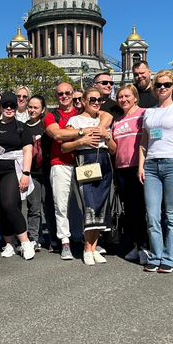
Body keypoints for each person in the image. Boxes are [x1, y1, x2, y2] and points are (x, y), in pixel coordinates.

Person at [138, 70, 173, 273]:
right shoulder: (149, 112)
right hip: (151, 165)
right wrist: (141, 165)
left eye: (167, 84)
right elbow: (144, 142)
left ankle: (169, 258)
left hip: (172, 163)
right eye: (159, 84)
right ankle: (156, 255)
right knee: (152, 214)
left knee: (171, 214)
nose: (162, 88)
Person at [44, 82, 96, 260]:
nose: (64, 96)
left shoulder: (82, 114)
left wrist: (75, 134)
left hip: (83, 162)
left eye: (67, 93)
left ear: (73, 94)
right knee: (61, 203)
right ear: (56, 96)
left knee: (84, 202)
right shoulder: (51, 116)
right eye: (60, 94)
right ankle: (64, 241)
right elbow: (57, 135)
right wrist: (82, 132)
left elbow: (102, 121)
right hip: (60, 163)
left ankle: (81, 238)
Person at [63, 88, 114, 265]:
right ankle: (87, 247)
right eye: (92, 99)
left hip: (105, 160)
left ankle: (94, 246)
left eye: (99, 99)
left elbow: (114, 149)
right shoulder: (75, 120)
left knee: (102, 205)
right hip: (86, 160)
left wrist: (107, 136)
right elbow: (64, 147)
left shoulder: (103, 120)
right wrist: (81, 141)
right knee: (89, 204)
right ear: (83, 101)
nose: (96, 102)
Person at [0, 92, 36, 260]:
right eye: (5, 105)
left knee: (10, 204)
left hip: (14, 169)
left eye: (12, 105)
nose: (9, 108)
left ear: (17, 107)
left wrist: (26, 173)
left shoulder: (21, 126)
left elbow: (28, 151)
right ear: (0, 107)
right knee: (0, 208)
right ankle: (9, 243)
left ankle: (25, 242)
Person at [111, 85, 148, 262]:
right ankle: (136, 244)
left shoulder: (144, 114)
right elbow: (114, 148)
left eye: (127, 96)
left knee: (141, 209)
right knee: (130, 211)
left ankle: (145, 247)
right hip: (121, 169)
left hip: (139, 168)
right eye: (120, 97)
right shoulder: (117, 122)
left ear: (135, 98)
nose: (123, 99)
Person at [26, 95, 56, 250]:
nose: (32, 110)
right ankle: (34, 238)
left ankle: (53, 238)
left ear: (43, 109)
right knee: (33, 207)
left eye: (36, 107)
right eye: (30, 107)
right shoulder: (23, 127)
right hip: (31, 173)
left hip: (47, 170)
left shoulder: (47, 126)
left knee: (49, 206)